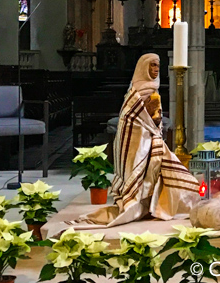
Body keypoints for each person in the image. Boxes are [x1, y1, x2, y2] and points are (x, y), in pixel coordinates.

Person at [80, 53, 200, 227]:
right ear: (143, 67)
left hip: (151, 136)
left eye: (158, 66)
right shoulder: (137, 89)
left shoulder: (154, 87)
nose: (156, 69)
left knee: (159, 166)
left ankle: (153, 204)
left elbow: (154, 118)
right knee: (146, 167)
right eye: (152, 65)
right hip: (137, 138)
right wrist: (147, 114)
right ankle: (138, 204)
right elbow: (128, 117)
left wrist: (156, 118)